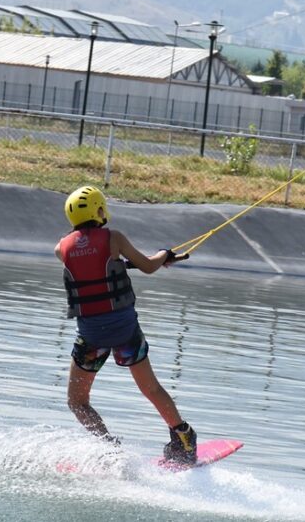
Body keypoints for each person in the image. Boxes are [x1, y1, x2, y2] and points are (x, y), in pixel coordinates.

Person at [54, 185, 197, 465]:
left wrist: (121, 264)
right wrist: (164, 254)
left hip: (91, 337)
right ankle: (183, 437)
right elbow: (147, 265)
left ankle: (111, 448)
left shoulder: (61, 249)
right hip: (125, 332)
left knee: (77, 401)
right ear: (99, 210)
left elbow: (93, 266)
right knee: (150, 388)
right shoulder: (114, 238)